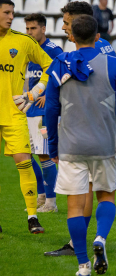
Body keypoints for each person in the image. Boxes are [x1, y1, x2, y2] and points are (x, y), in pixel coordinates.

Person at [44, 0, 116, 257]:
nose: (63, 27)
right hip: (105, 131)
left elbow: (100, 90)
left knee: (103, 188)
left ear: (78, 23)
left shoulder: (94, 51)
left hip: (97, 129)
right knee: (114, 185)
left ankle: (82, 246)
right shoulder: (103, 48)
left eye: (66, 22)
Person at [45, 15, 116, 275]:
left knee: (74, 205)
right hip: (105, 143)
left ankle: (82, 266)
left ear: (71, 36)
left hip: (71, 144)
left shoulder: (59, 64)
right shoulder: (113, 64)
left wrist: (53, 145)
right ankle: (100, 239)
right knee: (106, 195)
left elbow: (51, 109)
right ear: (97, 37)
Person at [0, 0, 52, 233]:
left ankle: (33, 217)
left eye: (12, 13)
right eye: (6, 13)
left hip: (13, 113)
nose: (11, 17)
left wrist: (34, 92)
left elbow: (50, 66)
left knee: (24, 162)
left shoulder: (23, 41)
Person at [25, 13, 63, 213]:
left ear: (43, 29)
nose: (29, 32)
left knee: (44, 155)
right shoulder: (28, 50)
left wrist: (49, 95)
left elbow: (63, 75)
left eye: (33, 28)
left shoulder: (53, 50)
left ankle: (51, 202)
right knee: (26, 154)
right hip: (30, 109)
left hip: (45, 111)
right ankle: (41, 195)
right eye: (27, 29)